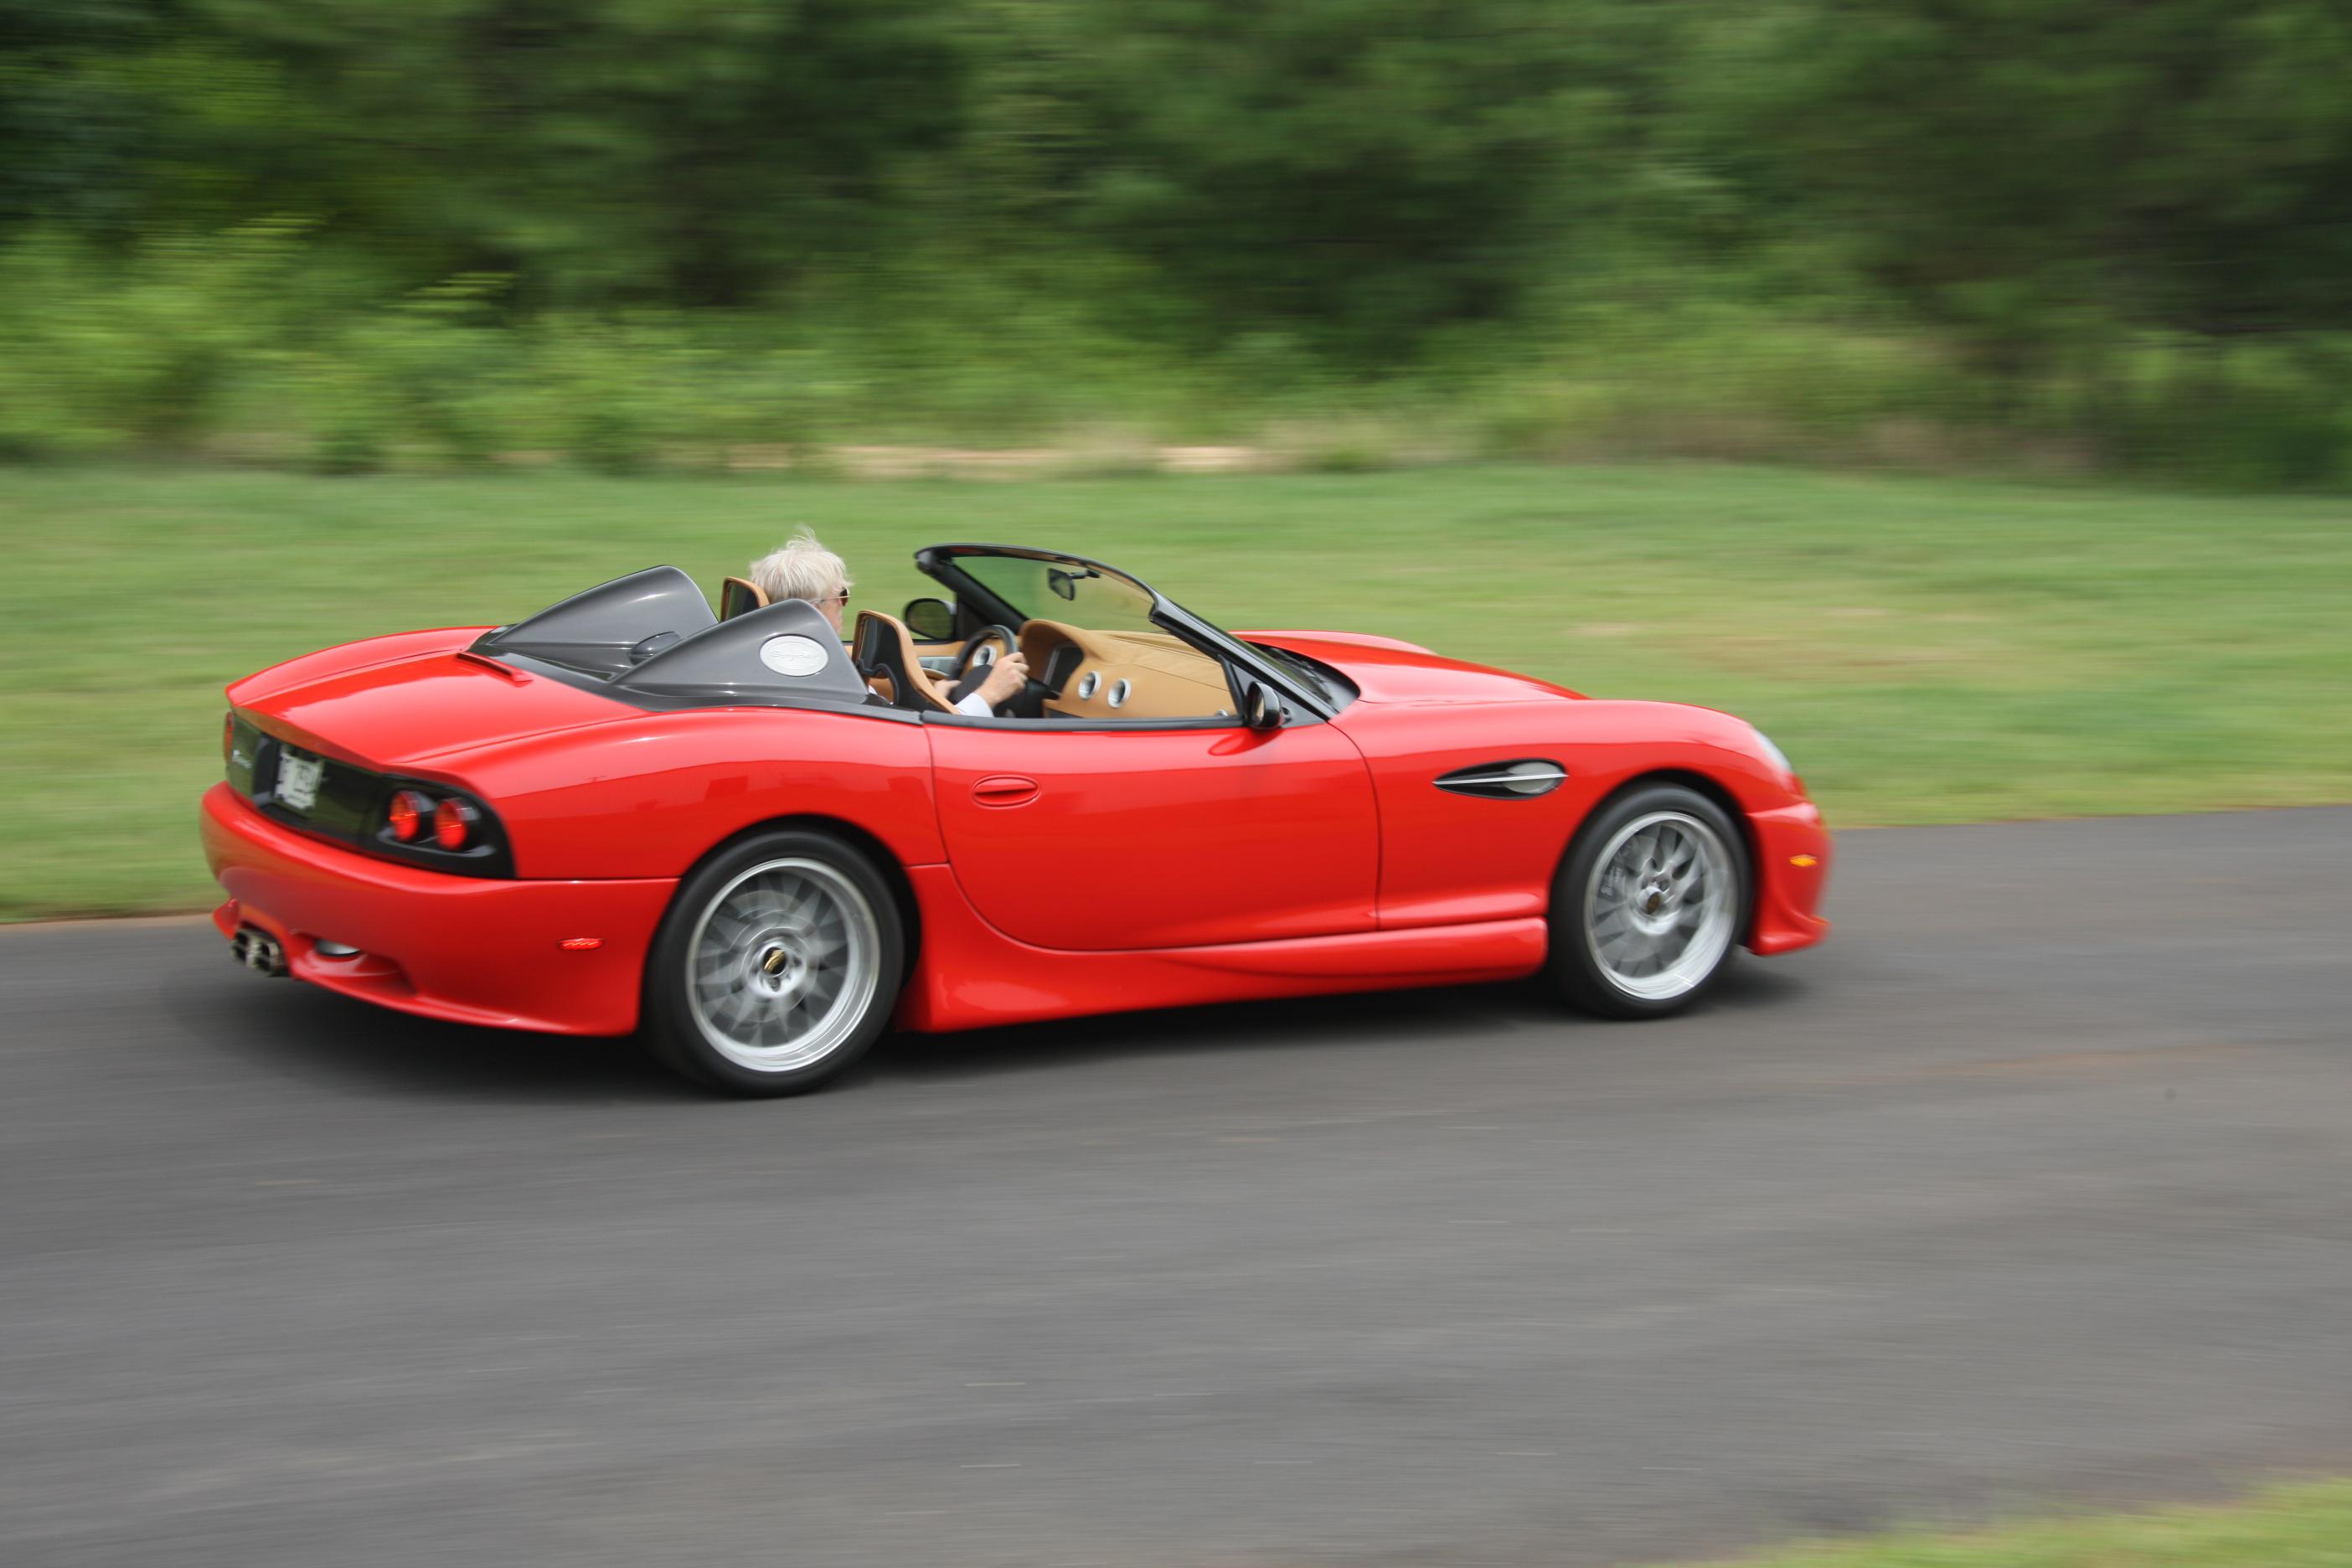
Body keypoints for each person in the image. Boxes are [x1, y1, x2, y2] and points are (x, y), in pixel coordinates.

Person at [746, 529, 1029, 716]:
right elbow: (929, 742)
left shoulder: (781, 663)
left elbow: (884, 716)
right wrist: (990, 693)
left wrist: (932, 700)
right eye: (841, 595)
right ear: (813, 611)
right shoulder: (819, 675)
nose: (845, 603)